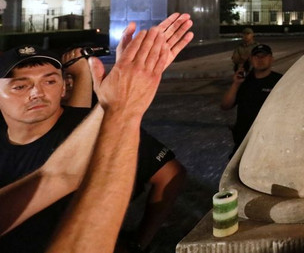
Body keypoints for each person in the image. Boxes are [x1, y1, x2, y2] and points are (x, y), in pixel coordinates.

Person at [0, 13, 192, 253]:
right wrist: (120, 109)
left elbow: (57, 176)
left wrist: (115, 106)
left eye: (49, 81)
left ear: (62, 86)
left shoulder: (78, 127)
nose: (36, 93)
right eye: (20, 86)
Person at [221, 43, 283, 151]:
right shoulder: (243, 81)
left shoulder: (280, 81)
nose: (260, 59)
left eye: (264, 56)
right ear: (251, 59)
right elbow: (225, 105)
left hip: (269, 141)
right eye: (256, 56)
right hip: (244, 141)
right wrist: (236, 83)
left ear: (271, 59)